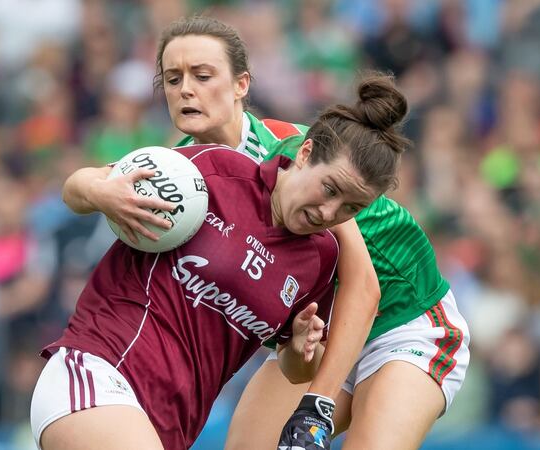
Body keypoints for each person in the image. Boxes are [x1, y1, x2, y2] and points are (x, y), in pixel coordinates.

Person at [66, 16, 469, 449]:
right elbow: (83, 184)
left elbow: (364, 288)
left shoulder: (294, 156)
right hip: (317, 334)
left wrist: (317, 405)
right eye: (173, 78)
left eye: (203, 76)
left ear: (241, 85)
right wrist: (100, 193)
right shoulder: (183, 170)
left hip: (405, 322)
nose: (186, 90)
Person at [32, 73, 409, 449]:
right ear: (305, 153)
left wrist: (299, 349)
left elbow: (296, 370)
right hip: (99, 370)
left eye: (351, 208)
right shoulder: (216, 168)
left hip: (171, 426)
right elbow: (77, 188)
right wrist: (103, 193)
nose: (330, 212)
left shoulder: (321, 258)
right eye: (329, 189)